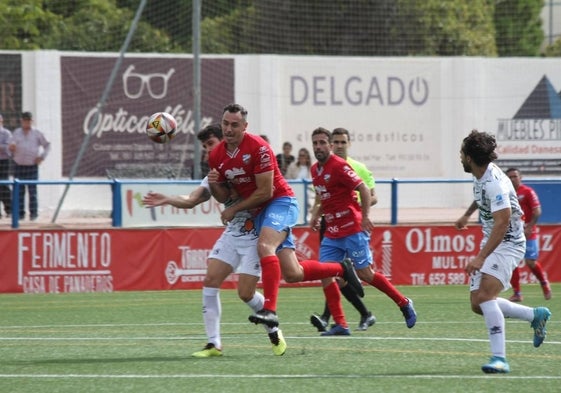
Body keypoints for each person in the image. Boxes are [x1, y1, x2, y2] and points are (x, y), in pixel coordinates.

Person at [207, 103, 363, 331]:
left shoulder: (259, 147)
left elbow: (265, 192)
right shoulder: (216, 155)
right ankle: (340, 268)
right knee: (292, 273)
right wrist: (214, 186)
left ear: (245, 126)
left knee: (265, 245)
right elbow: (223, 195)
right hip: (260, 211)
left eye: (234, 125)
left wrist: (234, 209)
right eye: (225, 124)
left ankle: (269, 310)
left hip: (280, 202)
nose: (228, 129)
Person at [142, 124, 287, 357]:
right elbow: (191, 200)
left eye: (210, 144)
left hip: (255, 234)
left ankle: (273, 328)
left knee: (245, 293)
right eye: (204, 147)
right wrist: (167, 199)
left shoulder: (246, 165)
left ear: (225, 142)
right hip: (233, 232)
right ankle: (214, 344)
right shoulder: (213, 175)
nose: (207, 151)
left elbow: (263, 190)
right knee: (210, 279)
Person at [454, 129, 551, 374]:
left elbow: (503, 222)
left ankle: (500, 359)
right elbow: (481, 197)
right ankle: (534, 315)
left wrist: (481, 257)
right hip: (494, 239)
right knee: (478, 303)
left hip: (508, 243)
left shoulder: (494, 182)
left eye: (462, 153)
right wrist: (467, 214)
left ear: (468, 157)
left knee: (485, 296)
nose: (460, 157)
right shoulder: (481, 175)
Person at [309, 127, 416, 336]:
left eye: (323, 142)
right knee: (326, 274)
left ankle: (403, 303)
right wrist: (316, 214)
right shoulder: (315, 170)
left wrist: (365, 216)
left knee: (366, 274)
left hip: (351, 228)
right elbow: (326, 198)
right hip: (332, 231)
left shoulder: (340, 166)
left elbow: (364, 190)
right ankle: (341, 324)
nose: (319, 147)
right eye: (315, 143)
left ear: (330, 145)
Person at [310, 127, 379, 332]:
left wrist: (353, 207)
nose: (339, 146)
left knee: (337, 273)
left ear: (348, 144)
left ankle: (332, 317)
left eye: (343, 142)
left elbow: (372, 196)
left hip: (351, 223)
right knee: (329, 272)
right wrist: (315, 214)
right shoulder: (321, 168)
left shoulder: (358, 168)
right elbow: (321, 196)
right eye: (336, 142)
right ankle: (359, 314)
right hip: (329, 222)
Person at [505, 168, 551, 302]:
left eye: (515, 176)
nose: (512, 179)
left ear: (521, 177)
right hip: (513, 233)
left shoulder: (528, 192)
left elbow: (537, 211)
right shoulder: (506, 193)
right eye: (510, 177)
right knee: (512, 262)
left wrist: (529, 227)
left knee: (530, 262)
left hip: (528, 232)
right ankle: (517, 293)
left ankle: (544, 283)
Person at [8, 111, 50, 221]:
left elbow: (47, 145)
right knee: (19, 191)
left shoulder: (37, 133)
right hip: (18, 165)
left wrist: (42, 157)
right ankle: (20, 214)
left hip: (31, 166)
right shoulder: (16, 133)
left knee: (32, 191)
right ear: (21, 121)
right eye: (25, 120)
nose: (27, 123)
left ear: (32, 121)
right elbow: (11, 146)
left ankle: (34, 214)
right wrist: (11, 148)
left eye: (29, 121)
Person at [0, 114, 12, 218]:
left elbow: (8, 147)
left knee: (4, 185)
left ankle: (9, 209)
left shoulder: (6, 133)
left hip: (3, 161)